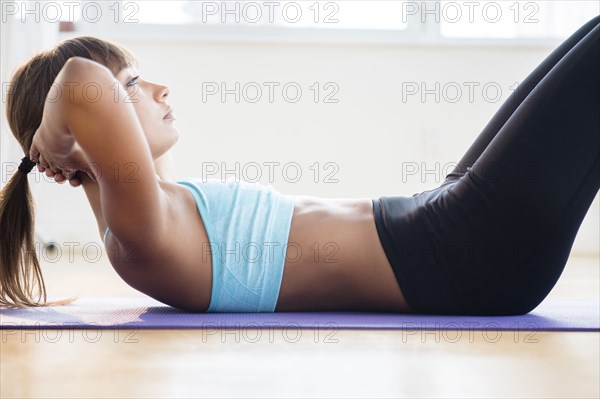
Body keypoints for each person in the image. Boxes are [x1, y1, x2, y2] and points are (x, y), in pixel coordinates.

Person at [1, 15, 598, 314]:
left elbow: (87, 92)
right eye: (132, 84)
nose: (159, 88)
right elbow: (82, 81)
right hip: (465, 254)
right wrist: (54, 139)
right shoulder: (140, 237)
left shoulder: (164, 204)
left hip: (440, 220)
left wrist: (63, 139)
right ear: (79, 139)